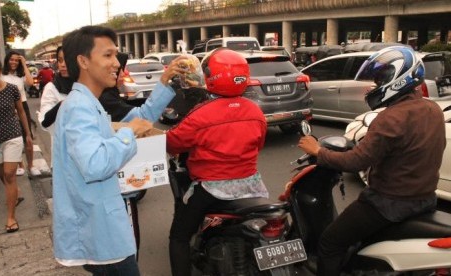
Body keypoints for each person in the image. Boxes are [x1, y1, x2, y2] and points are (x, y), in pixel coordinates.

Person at [298, 46, 446, 276]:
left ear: (398, 79)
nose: (374, 88)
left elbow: (356, 161)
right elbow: (404, 150)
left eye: (379, 81)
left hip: (388, 203)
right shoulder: (433, 109)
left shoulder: (390, 118)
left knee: (329, 242)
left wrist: (318, 151)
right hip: (425, 198)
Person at [52, 25, 186, 276]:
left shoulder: (89, 102)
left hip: (103, 229)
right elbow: (95, 164)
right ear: (83, 61)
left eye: (116, 55)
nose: (116, 63)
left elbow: (140, 119)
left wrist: (164, 83)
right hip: (101, 233)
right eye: (108, 55)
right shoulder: (79, 107)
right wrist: (128, 132)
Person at [166, 48, 269, 276]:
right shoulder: (255, 111)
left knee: (179, 237)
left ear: (211, 77)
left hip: (211, 189)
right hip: (251, 186)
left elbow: (173, 143)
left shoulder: (201, 114)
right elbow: (258, 144)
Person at [0, 54, 33, 232]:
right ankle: (15, 193)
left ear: (0, 72)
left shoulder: (12, 89)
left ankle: (11, 218)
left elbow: (20, 112)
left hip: (12, 136)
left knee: (9, 174)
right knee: (1, 175)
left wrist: (27, 133)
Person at [2, 50, 40, 177]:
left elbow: (30, 82)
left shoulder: (20, 75)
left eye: (16, 60)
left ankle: (31, 166)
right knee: (14, 139)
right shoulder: (2, 75)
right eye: (11, 59)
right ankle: (20, 165)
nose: (14, 62)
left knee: (28, 138)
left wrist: (24, 64)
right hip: (8, 108)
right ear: (7, 60)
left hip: (22, 106)